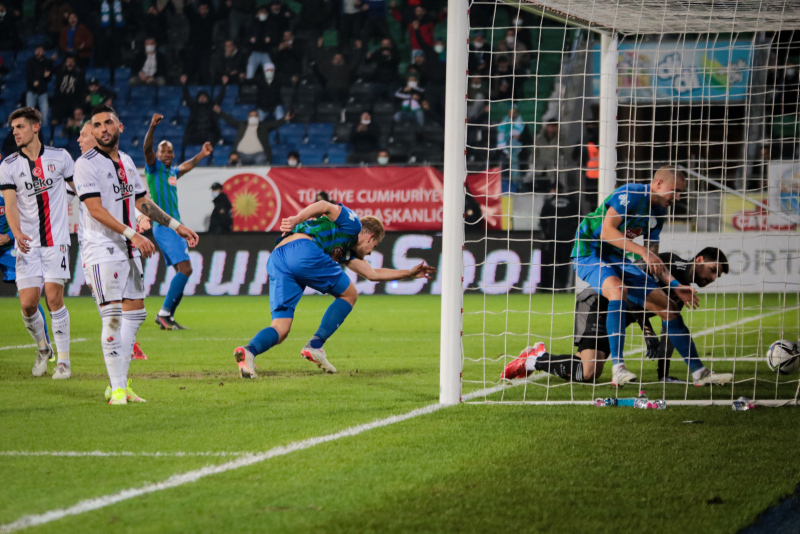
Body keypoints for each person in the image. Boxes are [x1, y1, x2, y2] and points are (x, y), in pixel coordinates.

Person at [73, 104, 199, 404]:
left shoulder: (127, 161)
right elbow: (95, 210)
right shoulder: (85, 164)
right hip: (101, 249)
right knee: (113, 317)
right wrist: (133, 234)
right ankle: (117, 387)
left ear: (119, 127)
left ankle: (120, 383)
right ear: (92, 130)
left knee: (136, 314)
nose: (103, 128)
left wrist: (176, 225)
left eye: (108, 122)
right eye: (97, 124)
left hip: (128, 248)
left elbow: (142, 201)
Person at [569, 166, 733, 386]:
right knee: (618, 290)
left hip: (615, 257)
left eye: (681, 193)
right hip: (587, 251)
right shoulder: (631, 194)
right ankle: (618, 368)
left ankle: (700, 373)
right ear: (657, 184)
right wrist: (643, 251)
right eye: (674, 191)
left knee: (669, 308)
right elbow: (607, 232)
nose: (678, 197)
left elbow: (654, 262)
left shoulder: (659, 214)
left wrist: (675, 285)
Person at [233, 201, 436, 377]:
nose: (369, 253)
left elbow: (372, 274)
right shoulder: (352, 224)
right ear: (370, 237)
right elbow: (324, 206)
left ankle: (249, 351)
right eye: (373, 247)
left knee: (281, 328)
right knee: (350, 294)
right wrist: (296, 218)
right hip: (304, 250)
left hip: (278, 258)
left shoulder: (345, 248)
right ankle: (315, 345)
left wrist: (408, 273)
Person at [502, 248, 730, 385]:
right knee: (588, 373)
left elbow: (669, 332)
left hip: (617, 315)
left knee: (588, 372)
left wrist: (663, 375)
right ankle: (533, 359)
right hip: (597, 305)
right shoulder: (666, 263)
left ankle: (538, 355)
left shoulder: (681, 293)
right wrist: (648, 332)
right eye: (712, 270)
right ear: (699, 260)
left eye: (717, 276)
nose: (712, 278)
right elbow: (634, 290)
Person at [0, 107, 75, 379]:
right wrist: (17, 232)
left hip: (56, 242)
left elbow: (79, 188)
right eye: (13, 128)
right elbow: (10, 205)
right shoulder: (8, 165)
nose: (15, 132)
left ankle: (64, 362)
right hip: (27, 244)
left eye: (20, 126)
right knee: (28, 305)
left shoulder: (61, 157)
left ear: (35, 127)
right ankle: (44, 349)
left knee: (54, 298)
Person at [74, 121, 149, 360]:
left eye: (83, 135)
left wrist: (140, 216)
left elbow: (126, 198)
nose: (79, 140)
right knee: (107, 304)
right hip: (93, 244)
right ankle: (118, 363)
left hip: (120, 243)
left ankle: (123, 345)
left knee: (122, 308)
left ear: (96, 137)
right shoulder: (81, 167)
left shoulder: (120, 162)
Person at [143, 113, 213, 330]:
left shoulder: (172, 172)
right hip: (164, 227)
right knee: (186, 269)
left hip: (176, 228)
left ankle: (168, 316)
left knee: (183, 271)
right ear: (157, 154)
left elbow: (188, 165)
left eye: (170, 151)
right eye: (164, 151)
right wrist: (152, 128)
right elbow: (146, 149)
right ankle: (164, 313)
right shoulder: (153, 169)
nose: (168, 154)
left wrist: (201, 154)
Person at [215, 106, 293, 165]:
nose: (253, 117)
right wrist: (220, 112)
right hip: (241, 154)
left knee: (261, 161)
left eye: (255, 116)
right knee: (234, 161)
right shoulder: (242, 125)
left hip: (258, 155)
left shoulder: (263, 126)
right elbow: (230, 120)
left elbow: (275, 124)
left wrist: (285, 119)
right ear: (248, 118)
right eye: (251, 116)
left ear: (258, 118)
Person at [539, 183, 580, 291]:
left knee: (551, 262)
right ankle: (562, 285)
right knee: (564, 263)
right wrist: (573, 233)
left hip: (552, 237)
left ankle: (549, 286)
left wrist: (546, 235)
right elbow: (578, 218)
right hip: (567, 237)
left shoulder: (549, 203)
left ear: (553, 189)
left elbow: (542, 220)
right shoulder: (571, 202)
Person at [180, 76, 225, 158]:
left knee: (211, 140)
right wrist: (184, 84)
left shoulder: (212, 106)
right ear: (197, 99)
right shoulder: (194, 107)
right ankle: (182, 159)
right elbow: (187, 96)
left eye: (204, 97)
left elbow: (220, 98)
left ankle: (211, 160)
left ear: (207, 98)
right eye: (200, 97)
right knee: (185, 140)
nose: (202, 98)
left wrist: (224, 85)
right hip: (195, 133)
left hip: (208, 133)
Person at [51, 56, 85, 126]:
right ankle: (55, 125)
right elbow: (47, 68)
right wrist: (51, 60)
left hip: (74, 98)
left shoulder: (79, 73)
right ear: (65, 63)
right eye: (68, 62)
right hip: (61, 98)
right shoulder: (60, 71)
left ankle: (76, 124)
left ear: (75, 63)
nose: (70, 64)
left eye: (72, 62)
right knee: (56, 104)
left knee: (78, 105)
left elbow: (82, 89)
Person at [26, 46, 54, 127]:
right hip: (31, 90)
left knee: (44, 115)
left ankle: (44, 132)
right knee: (29, 114)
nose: (38, 52)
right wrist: (36, 80)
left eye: (40, 50)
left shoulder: (47, 62)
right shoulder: (30, 62)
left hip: (43, 91)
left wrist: (46, 76)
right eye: (36, 50)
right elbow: (29, 76)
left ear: (44, 52)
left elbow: (49, 78)